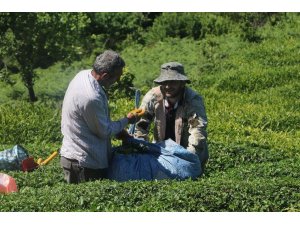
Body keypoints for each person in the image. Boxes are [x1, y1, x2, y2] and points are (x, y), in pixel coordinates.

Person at [60, 50, 139, 184]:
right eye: (117, 77)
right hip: (84, 164)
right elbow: (104, 131)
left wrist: (120, 131)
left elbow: (97, 122)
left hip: (77, 158)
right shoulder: (91, 97)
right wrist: (127, 120)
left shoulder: (83, 74)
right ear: (105, 75)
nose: (118, 80)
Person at [134, 62, 209, 172]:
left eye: (173, 82)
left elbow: (197, 130)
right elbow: (141, 125)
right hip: (161, 149)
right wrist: (140, 148)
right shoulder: (153, 97)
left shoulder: (193, 100)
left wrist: (189, 157)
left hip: (188, 149)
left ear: (182, 83)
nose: (168, 86)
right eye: (165, 82)